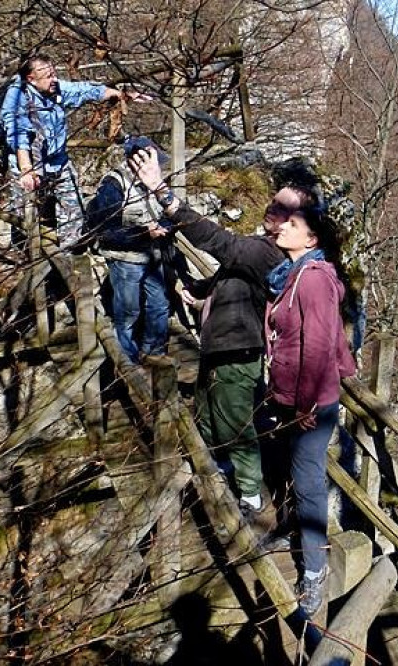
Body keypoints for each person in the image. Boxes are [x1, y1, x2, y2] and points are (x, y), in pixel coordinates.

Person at [128, 146, 286, 521]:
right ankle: (222, 470)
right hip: (220, 345)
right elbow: (225, 276)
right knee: (208, 414)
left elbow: (217, 242)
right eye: (272, 205)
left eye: (282, 212)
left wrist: (163, 195)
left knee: (236, 421)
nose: (271, 211)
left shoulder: (268, 253)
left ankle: (250, 496)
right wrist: (197, 291)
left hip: (239, 349)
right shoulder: (256, 249)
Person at [260, 180, 356, 617]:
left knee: (311, 482)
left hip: (309, 405)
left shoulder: (313, 280)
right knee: (286, 468)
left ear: (311, 238)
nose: (281, 227)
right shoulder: (292, 274)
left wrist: (306, 407)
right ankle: (290, 527)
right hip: (289, 396)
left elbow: (317, 347)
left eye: (292, 223)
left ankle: (314, 572)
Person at [1, 53, 151, 250]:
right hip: (28, 163)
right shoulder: (17, 97)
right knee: (25, 216)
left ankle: (69, 255)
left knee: (74, 209)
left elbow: (84, 90)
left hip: (58, 161)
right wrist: (27, 169)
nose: (54, 79)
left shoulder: (55, 88)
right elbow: (19, 136)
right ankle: (25, 254)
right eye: (49, 76)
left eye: (54, 74)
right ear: (31, 79)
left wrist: (119, 94)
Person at [88, 137, 172, 363]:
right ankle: (127, 362)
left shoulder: (155, 181)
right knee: (128, 313)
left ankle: (154, 353)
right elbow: (105, 233)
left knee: (160, 305)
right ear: (137, 161)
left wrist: (165, 227)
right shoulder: (113, 187)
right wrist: (145, 233)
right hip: (125, 260)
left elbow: (168, 214)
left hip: (153, 256)